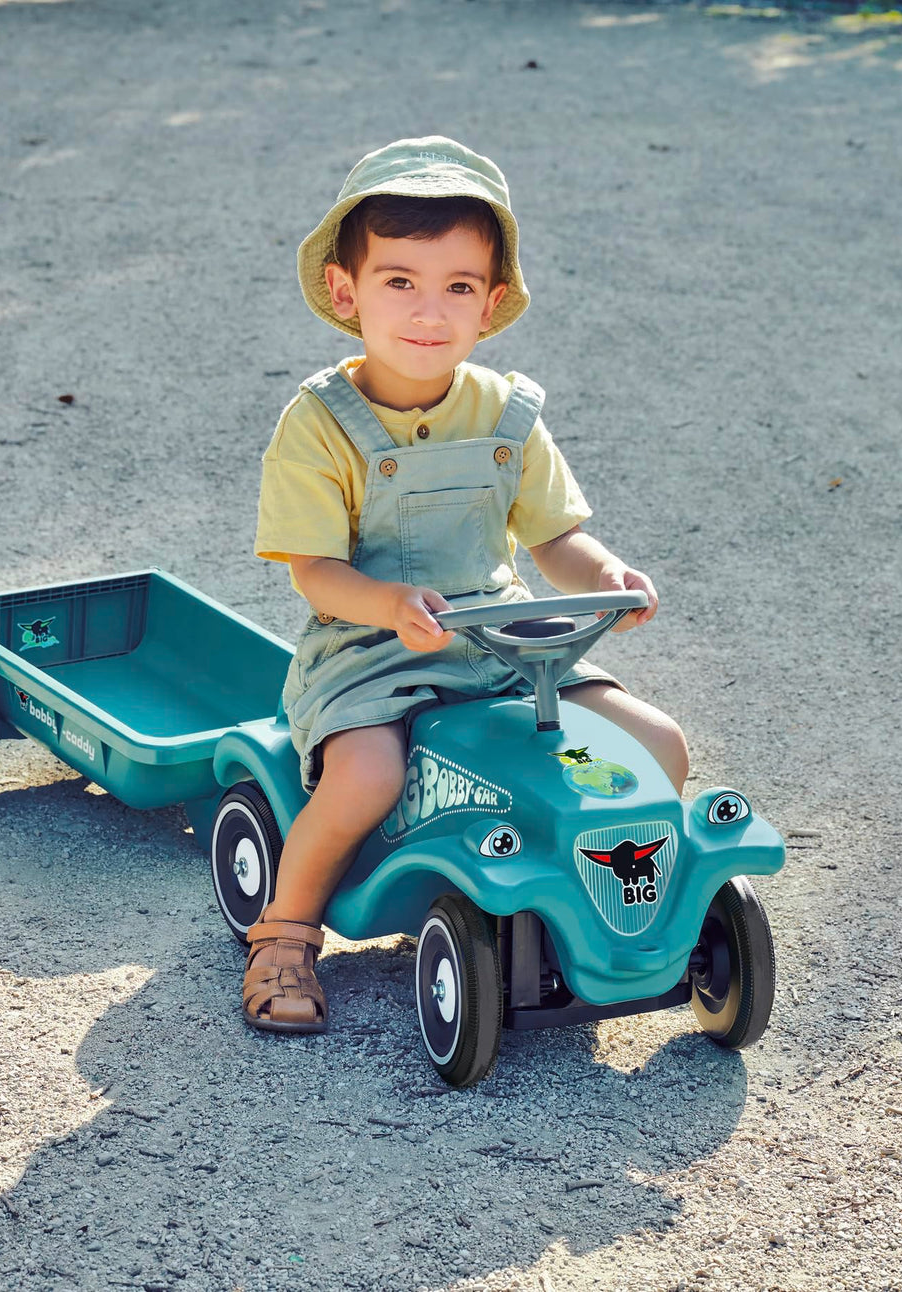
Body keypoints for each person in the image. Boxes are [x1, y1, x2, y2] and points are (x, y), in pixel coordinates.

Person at [243, 136, 689, 1034]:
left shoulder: (505, 413)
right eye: (399, 281)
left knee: (658, 745)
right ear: (347, 291)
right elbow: (315, 572)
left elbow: (555, 536)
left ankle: (603, 906)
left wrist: (604, 577)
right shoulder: (320, 423)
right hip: (369, 649)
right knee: (368, 772)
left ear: (490, 304)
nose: (427, 311)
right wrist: (387, 604)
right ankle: (284, 930)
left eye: (456, 288)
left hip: (502, 641)